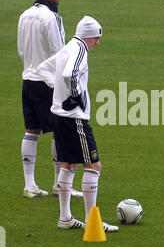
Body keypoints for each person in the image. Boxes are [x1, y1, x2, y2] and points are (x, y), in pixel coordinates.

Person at [38, 16, 119, 232]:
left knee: (68, 163)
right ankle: (92, 221)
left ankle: (65, 218)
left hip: (58, 115)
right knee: (93, 166)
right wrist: (74, 96)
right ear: (88, 35)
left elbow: (43, 69)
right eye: (96, 38)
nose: (97, 42)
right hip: (74, 118)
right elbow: (71, 74)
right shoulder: (80, 50)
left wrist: (58, 90)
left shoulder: (68, 47)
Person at [17, 0, 82, 198]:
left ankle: (29, 185)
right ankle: (59, 184)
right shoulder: (52, 17)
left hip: (28, 79)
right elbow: (59, 51)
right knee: (59, 131)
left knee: (31, 130)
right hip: (48, 82)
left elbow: (21, 50)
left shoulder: (24, 15)